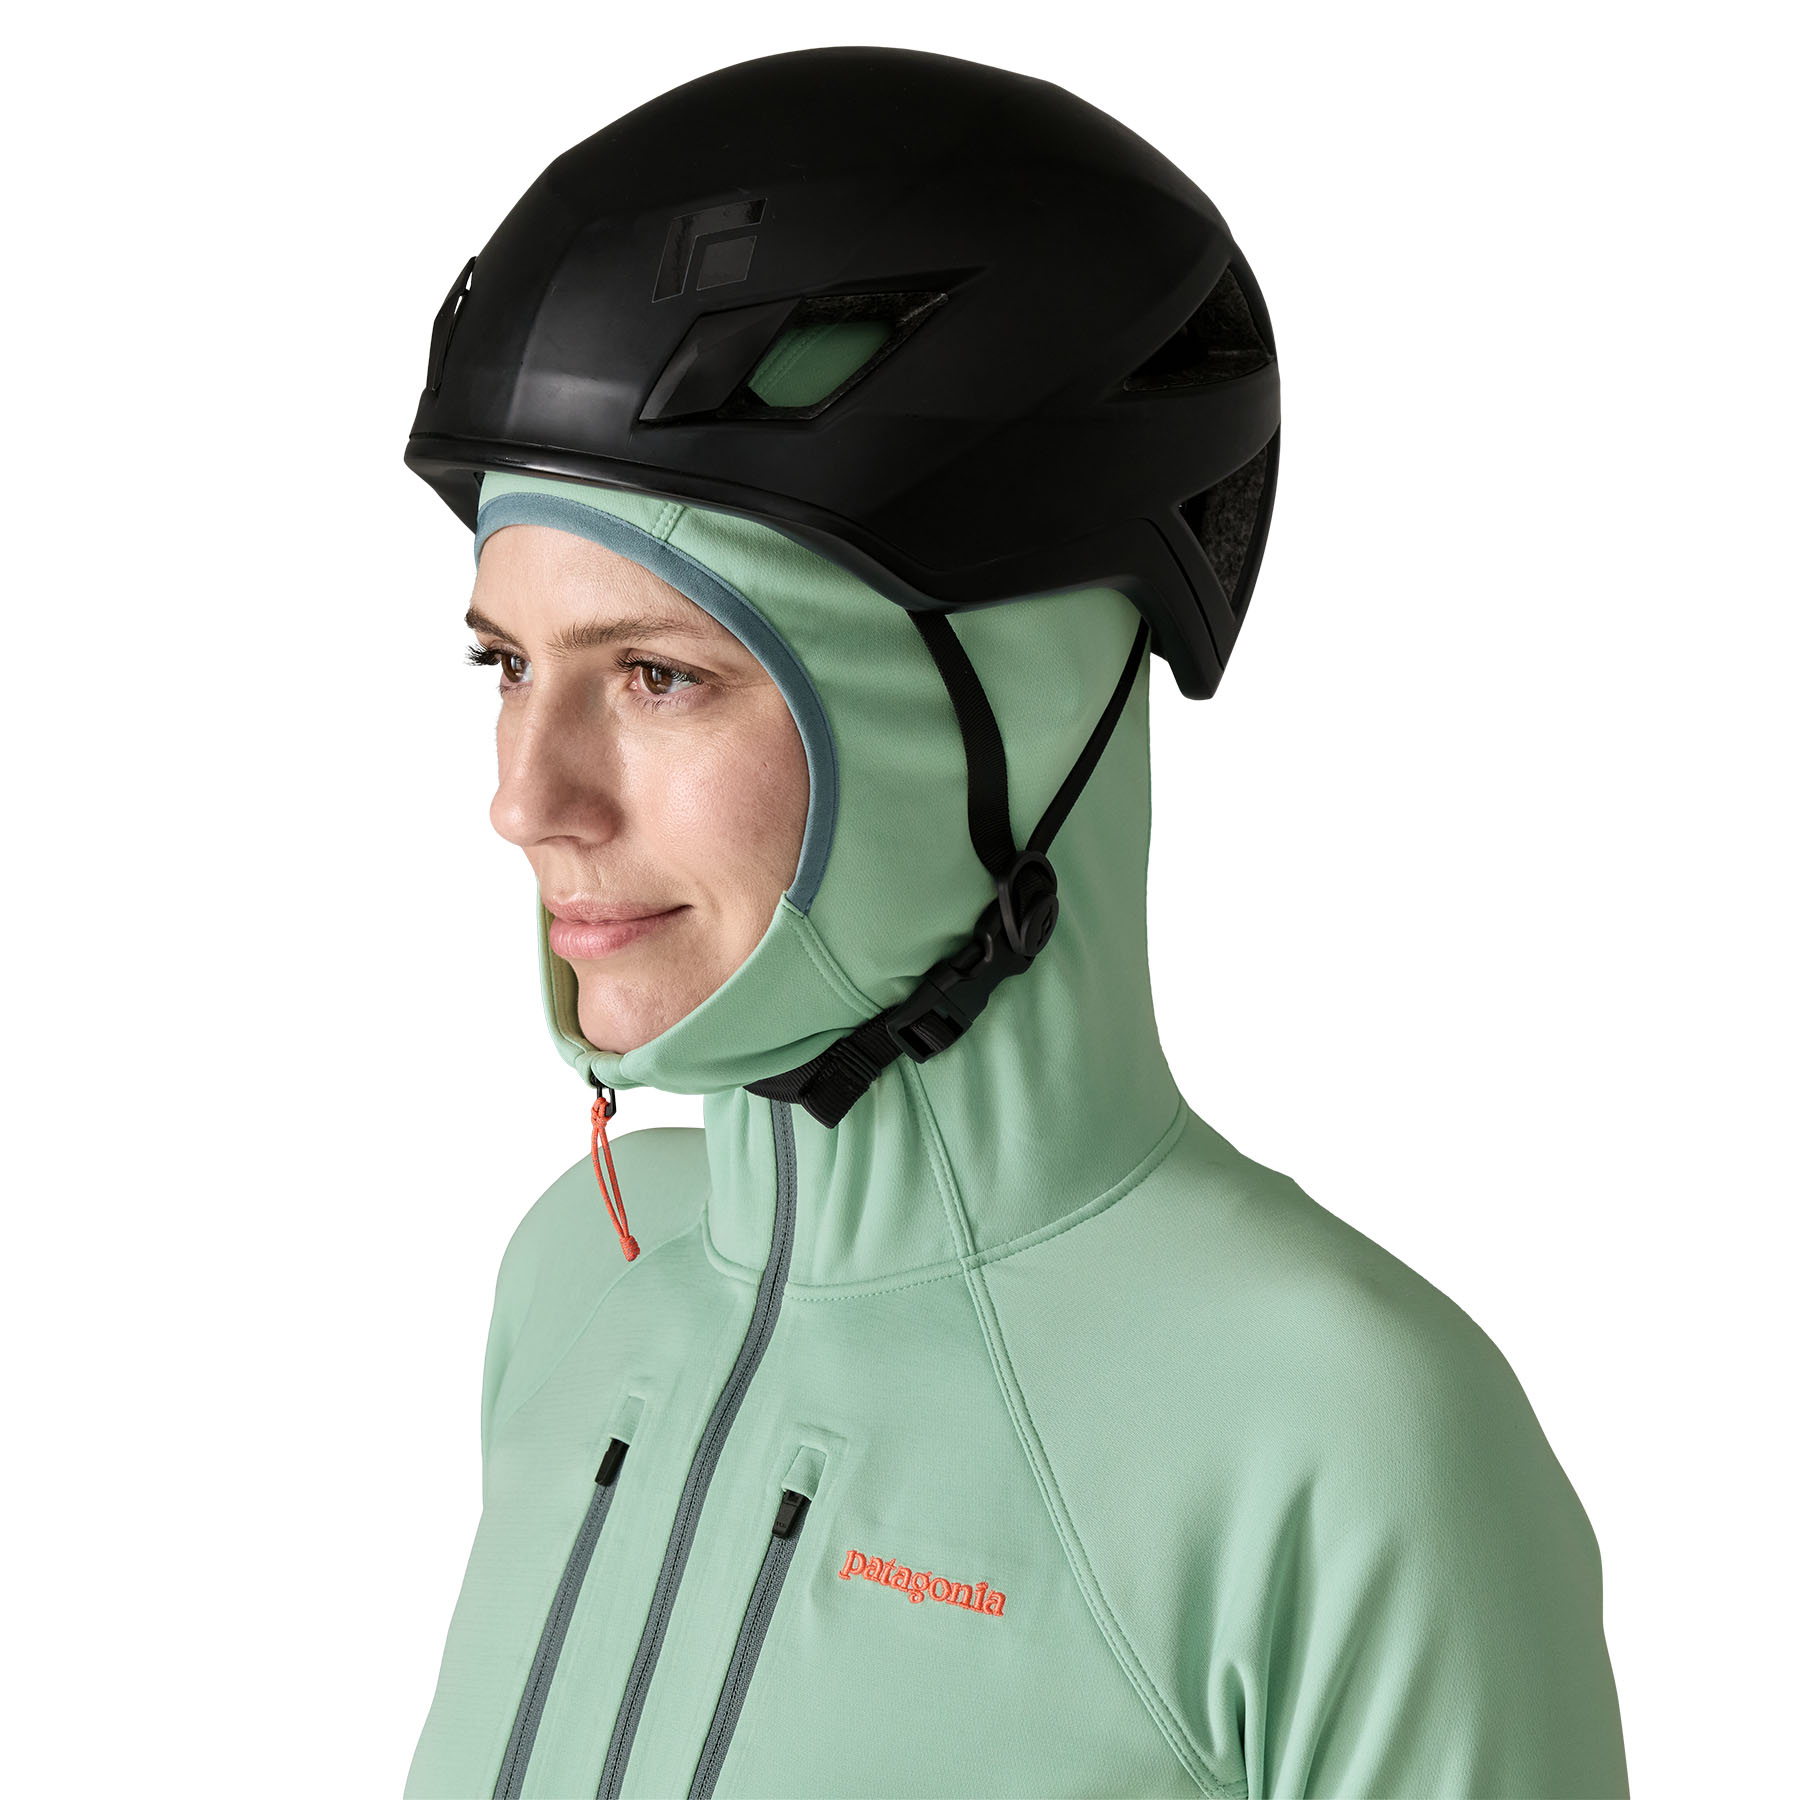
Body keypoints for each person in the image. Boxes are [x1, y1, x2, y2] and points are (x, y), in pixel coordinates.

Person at [402, 46, 1630, 1800]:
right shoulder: (583, 1279)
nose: (528, 800)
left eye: (661, 676)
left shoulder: (1338, 1437)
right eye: (507, 665)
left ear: (1009, 713)